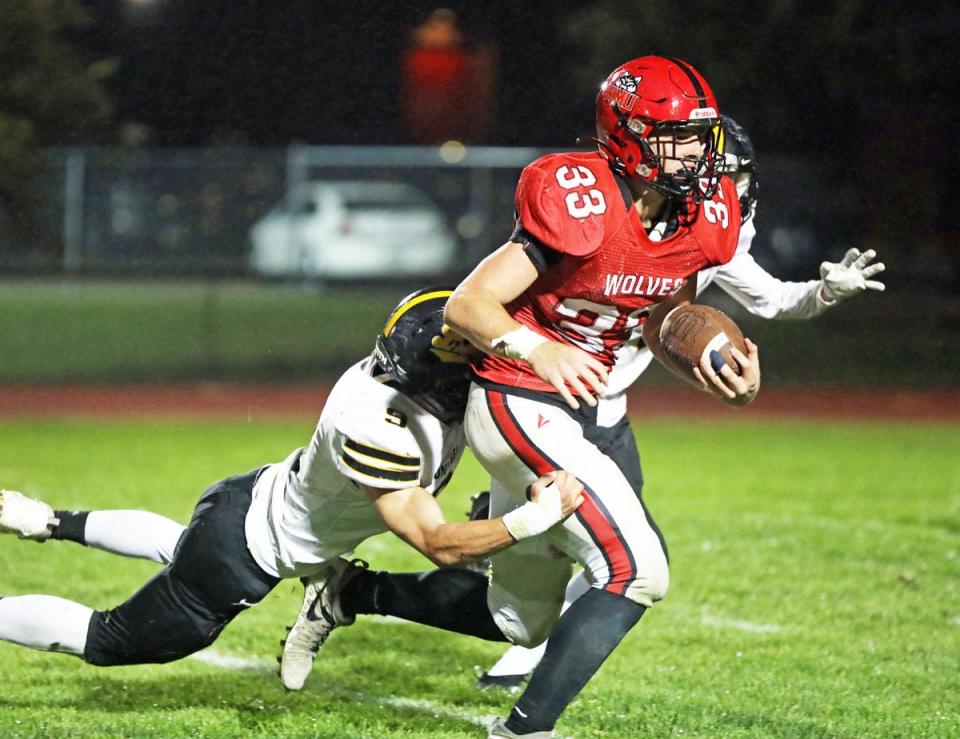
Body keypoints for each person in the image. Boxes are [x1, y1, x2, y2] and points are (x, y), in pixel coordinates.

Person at [280, 56, 760, 739]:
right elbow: (468, 305)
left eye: (699, 137)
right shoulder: (580, 198)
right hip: (519, 400)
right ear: (628, 137)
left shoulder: (700, 215)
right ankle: (523, 732)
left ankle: (352, 590)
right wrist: (536, 346)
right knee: (635, 570)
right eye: (676, 137)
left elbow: (657, 310)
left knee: (517, 619)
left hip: (580, 409)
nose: (696, 154)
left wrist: (714, 363)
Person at [473, 113, 887, 689]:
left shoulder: (710, 236)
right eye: (719, 175)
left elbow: (708, 317)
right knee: (612, 557)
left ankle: (432, 602)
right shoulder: (615, 217)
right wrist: (535, 349)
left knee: (612, 554)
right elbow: (493, 297)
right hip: (538, 390)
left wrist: (822, 293)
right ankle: (501, 631)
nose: (727, 191)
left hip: (605, 404)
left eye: (735, 177)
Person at [0, 288, 584, 678]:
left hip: (247, 503)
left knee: (185, 547)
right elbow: (438, 545)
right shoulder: (381, 427)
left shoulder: (403, 380)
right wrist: (526, 519)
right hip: (246, 553)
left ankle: (46, 521)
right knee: (111, 640)